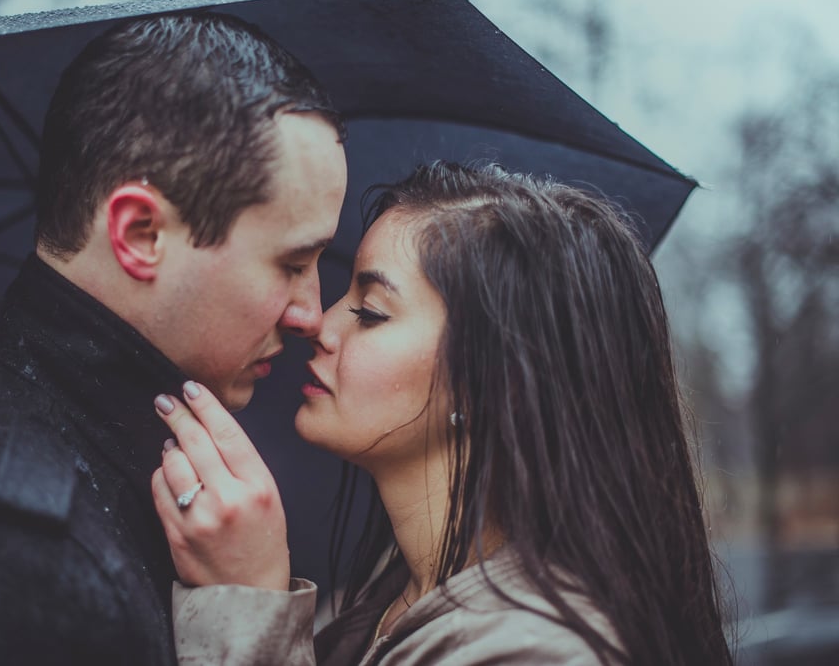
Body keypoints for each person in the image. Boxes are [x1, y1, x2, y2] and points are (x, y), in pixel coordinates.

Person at [0, 13, 346, 664]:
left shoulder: (57, 461)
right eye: (292, 265)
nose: (311, 315)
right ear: (139, 234)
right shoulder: (8, 564)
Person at [151, 161, 734, 665]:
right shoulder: (384, 602)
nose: (320, 326)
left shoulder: (542, 651)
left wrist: (251, 609)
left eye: (371, 312)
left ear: (495, 379)